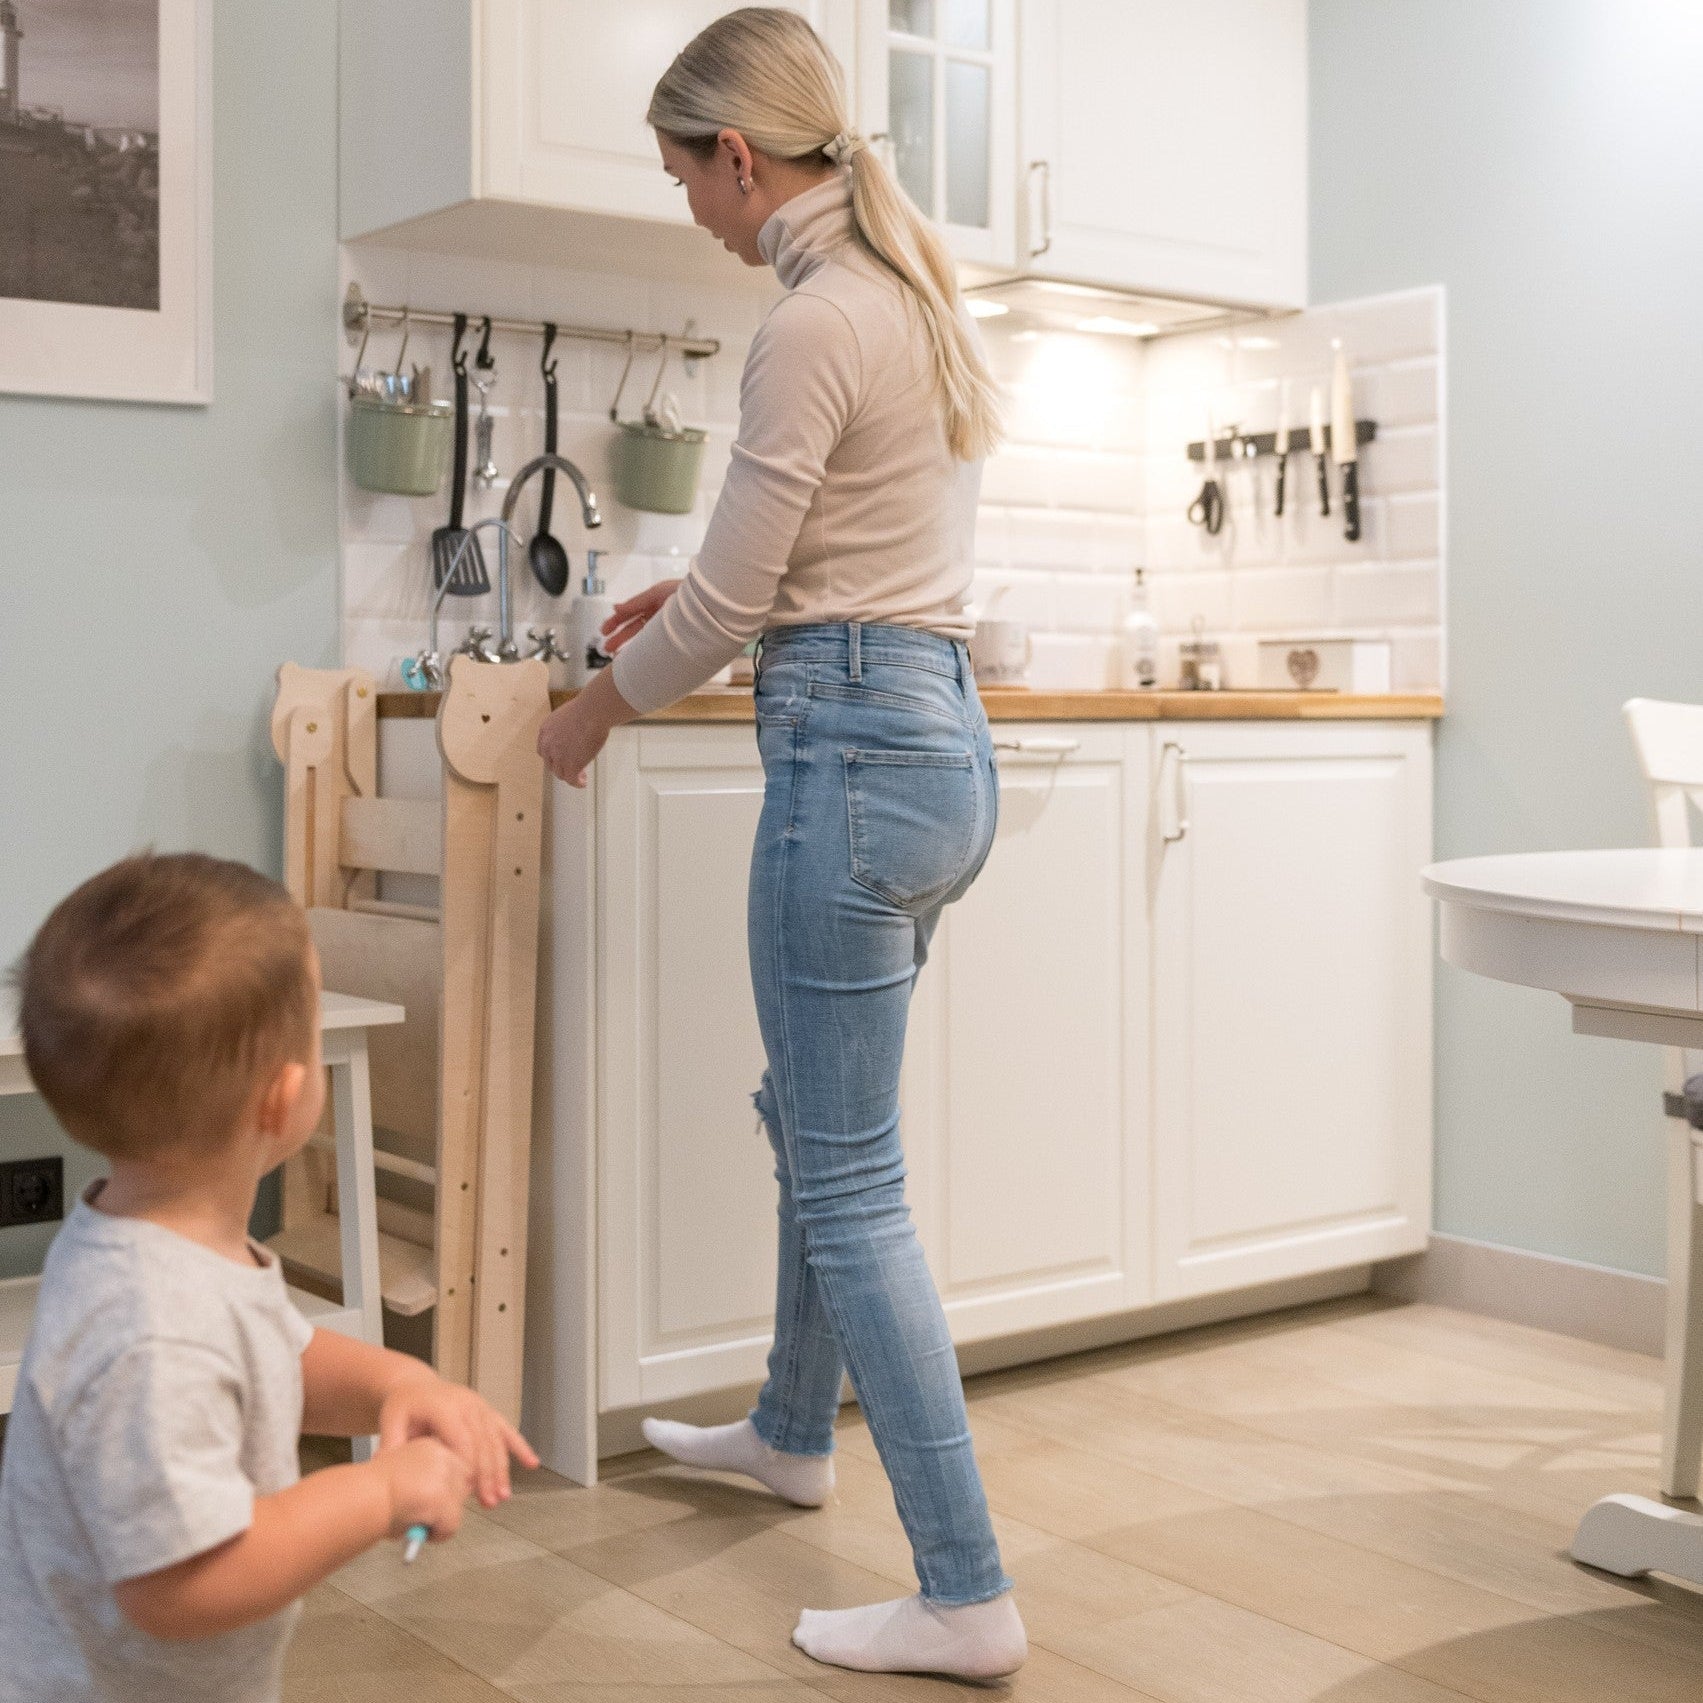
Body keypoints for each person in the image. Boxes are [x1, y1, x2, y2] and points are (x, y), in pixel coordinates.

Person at [534, 7, 1025, 1681]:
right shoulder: (904, 294)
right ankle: (788, 1428)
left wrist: (593, 708)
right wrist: (691, 598)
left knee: (846, 1174)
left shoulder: (813, 316)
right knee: (813, 1122)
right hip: (934, 740)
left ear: (738, 157)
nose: (685, 205)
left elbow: (748, 600)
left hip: (853, 745)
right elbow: (819, 555)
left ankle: (962, 1588)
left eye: (683, 175)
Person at [0, 852, 538, 1703]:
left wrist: (399, 1382)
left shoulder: (152, 1239)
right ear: (283, 1097)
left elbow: (271, 1357)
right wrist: (375, 1493)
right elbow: (180, 1585)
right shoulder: (151, 1325)